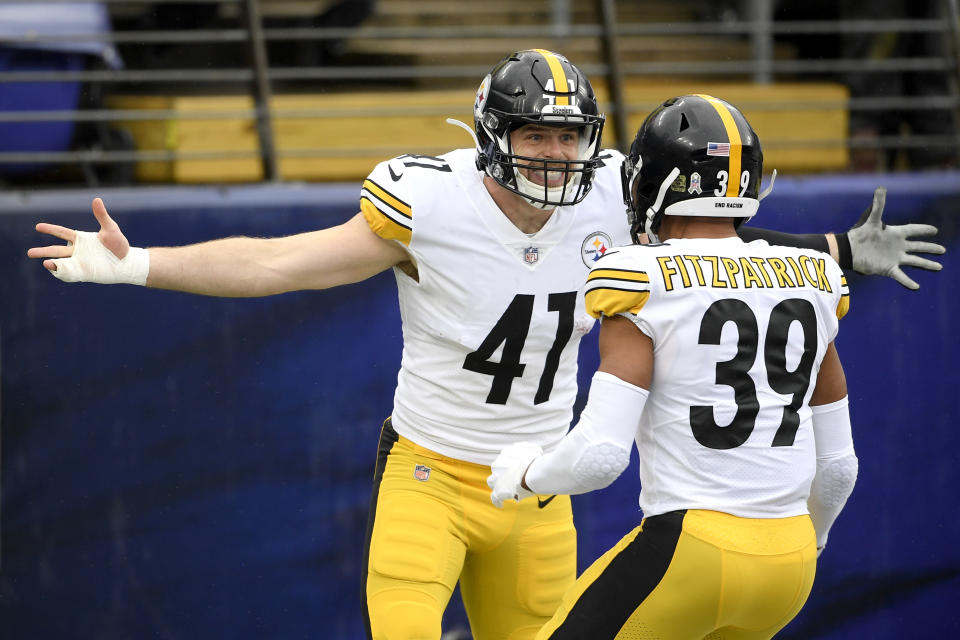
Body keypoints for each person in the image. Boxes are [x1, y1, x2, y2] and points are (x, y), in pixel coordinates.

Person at [27, 50, 943, 640]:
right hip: (429, 472)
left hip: (541, 486)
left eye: (570, 136)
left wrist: (830, 253)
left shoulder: (618, 190)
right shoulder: (429, 199)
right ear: (493, 136)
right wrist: (141, 264)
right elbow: (280, 263)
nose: (555, 155)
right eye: (536, 135)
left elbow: (717, 253)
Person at [488, 94, 859, 639]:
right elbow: (839, 468)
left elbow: (600, 455)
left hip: (693, 548)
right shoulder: (814, 276)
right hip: (791, 564)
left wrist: (526, 474)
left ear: (654, 184)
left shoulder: (639, 276)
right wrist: (812, 538)